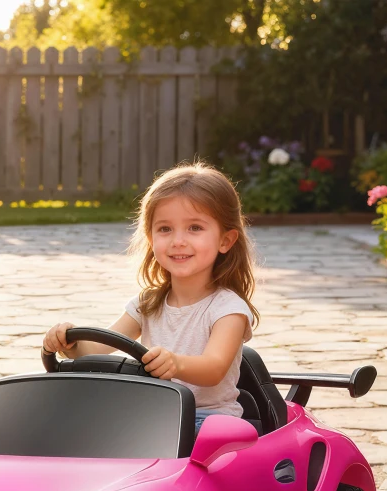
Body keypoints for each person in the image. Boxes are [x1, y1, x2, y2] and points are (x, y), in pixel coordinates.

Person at [43, 161, 259, 437]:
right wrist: (68, 343)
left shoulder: (228, 309)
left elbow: (215, 368)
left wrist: (177, 364)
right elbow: (98, 347)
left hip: (209, 420)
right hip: (157, 413)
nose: (178, 241)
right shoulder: (148, 303)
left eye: (195, 228)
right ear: (151, 237)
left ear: (225, 241)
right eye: (165, 229)